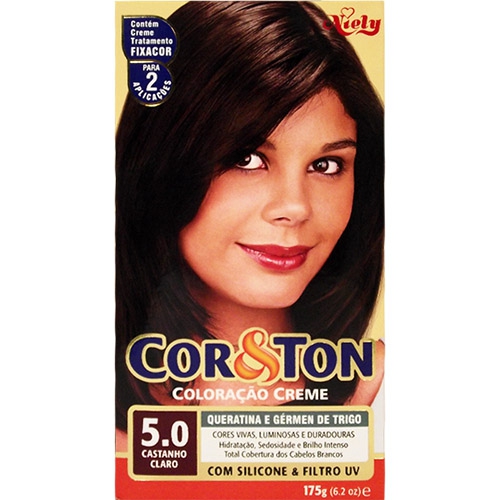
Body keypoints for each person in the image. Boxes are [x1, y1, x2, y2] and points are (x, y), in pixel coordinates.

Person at [115, 1, 385, 438]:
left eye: (327, 165)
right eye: (247, 159)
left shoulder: (385, 394)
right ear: (162, 162)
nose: (295, 207)